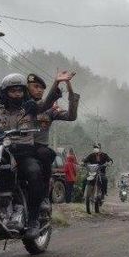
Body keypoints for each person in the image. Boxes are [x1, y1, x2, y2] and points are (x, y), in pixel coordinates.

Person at [0, 73, 54, 239]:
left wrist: (57, 82)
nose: (17, 94)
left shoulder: (30, 109)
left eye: (20, 91)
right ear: (4, 93)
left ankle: (33, 220)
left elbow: (46, 103)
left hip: (24, 153)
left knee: (34, 171)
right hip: (2, 153)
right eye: (12, 91)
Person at [27, 71, 79, 203]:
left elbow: (71, 116)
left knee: (46, 158)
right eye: (35, 86)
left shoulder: (49, 110)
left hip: (39, 150)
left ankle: (44, 198)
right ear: (27, 87)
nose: (39, 90)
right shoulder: (19, 106)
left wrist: (69, 88)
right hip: (19, 147)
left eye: (42, 88)